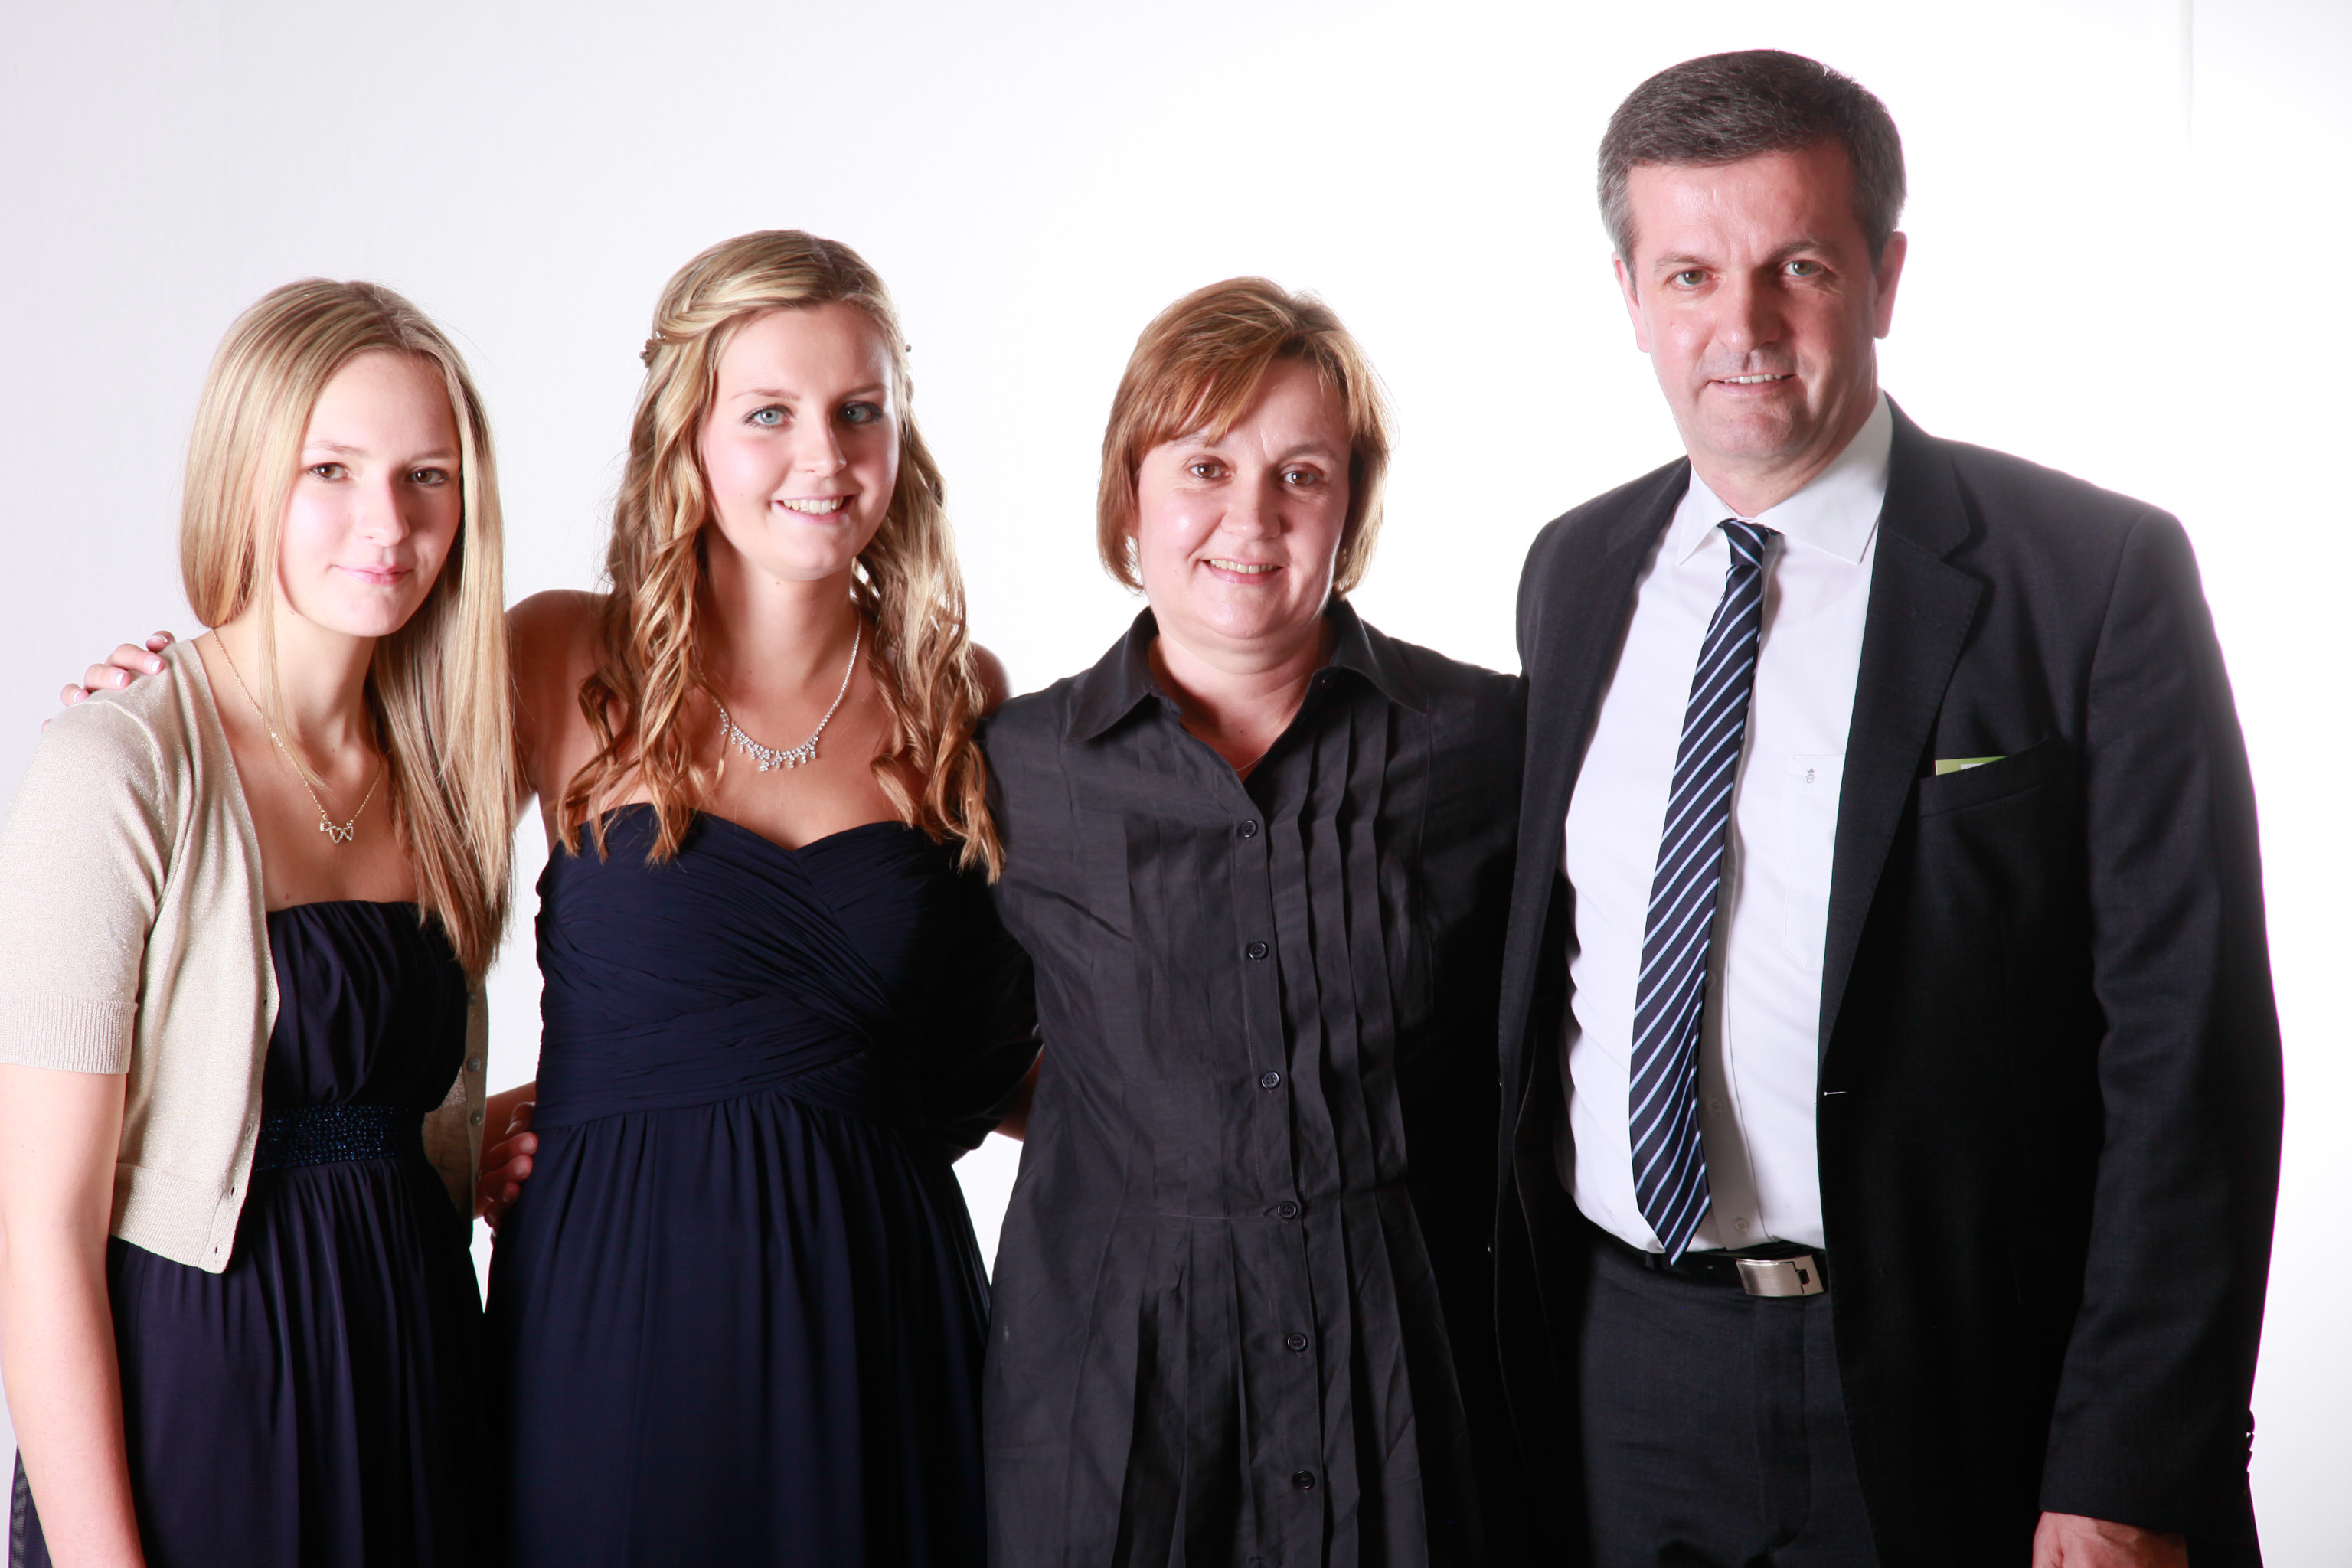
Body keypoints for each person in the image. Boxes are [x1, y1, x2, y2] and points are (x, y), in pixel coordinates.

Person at [63, 231, 1040, 1564]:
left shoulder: (957, 694)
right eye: (768, 412)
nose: (822, 456)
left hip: (875, 1299)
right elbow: (345, 813)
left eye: (858, 410)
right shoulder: (557, 654)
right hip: (610, 1296)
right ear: (687, 433)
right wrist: (170, 703)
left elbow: (985, 1052)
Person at [1492, 51, 2282, 1567]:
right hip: (1623, 1377)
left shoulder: (2090, 578)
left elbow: (2193, 1059)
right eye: (1689, 274)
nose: (1741, 327)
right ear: (1631, 295)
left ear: (1885, 277)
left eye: (1796, 266)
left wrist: (2127, 1467)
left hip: (1960, 1383)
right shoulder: (1574, 570)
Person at [979, 279, 1525, 1568]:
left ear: (1352, 507)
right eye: (1205, 466)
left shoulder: (1491, 744)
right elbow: (930, 1047)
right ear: (1129, 494)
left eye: (1302, 475)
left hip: (1407, 1380)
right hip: (1118, 1403)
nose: (1252, 516)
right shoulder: (1012, 771)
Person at [0, 280, 515, 1566]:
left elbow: (373, 1112)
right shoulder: (118, 766)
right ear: (244, 479)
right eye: (329, 470)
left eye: (428, 477)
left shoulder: (448, 768)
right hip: (206, 1391)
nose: (388, 523)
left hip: (417, 1373)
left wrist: (523, 1130)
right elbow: (39, 1233)